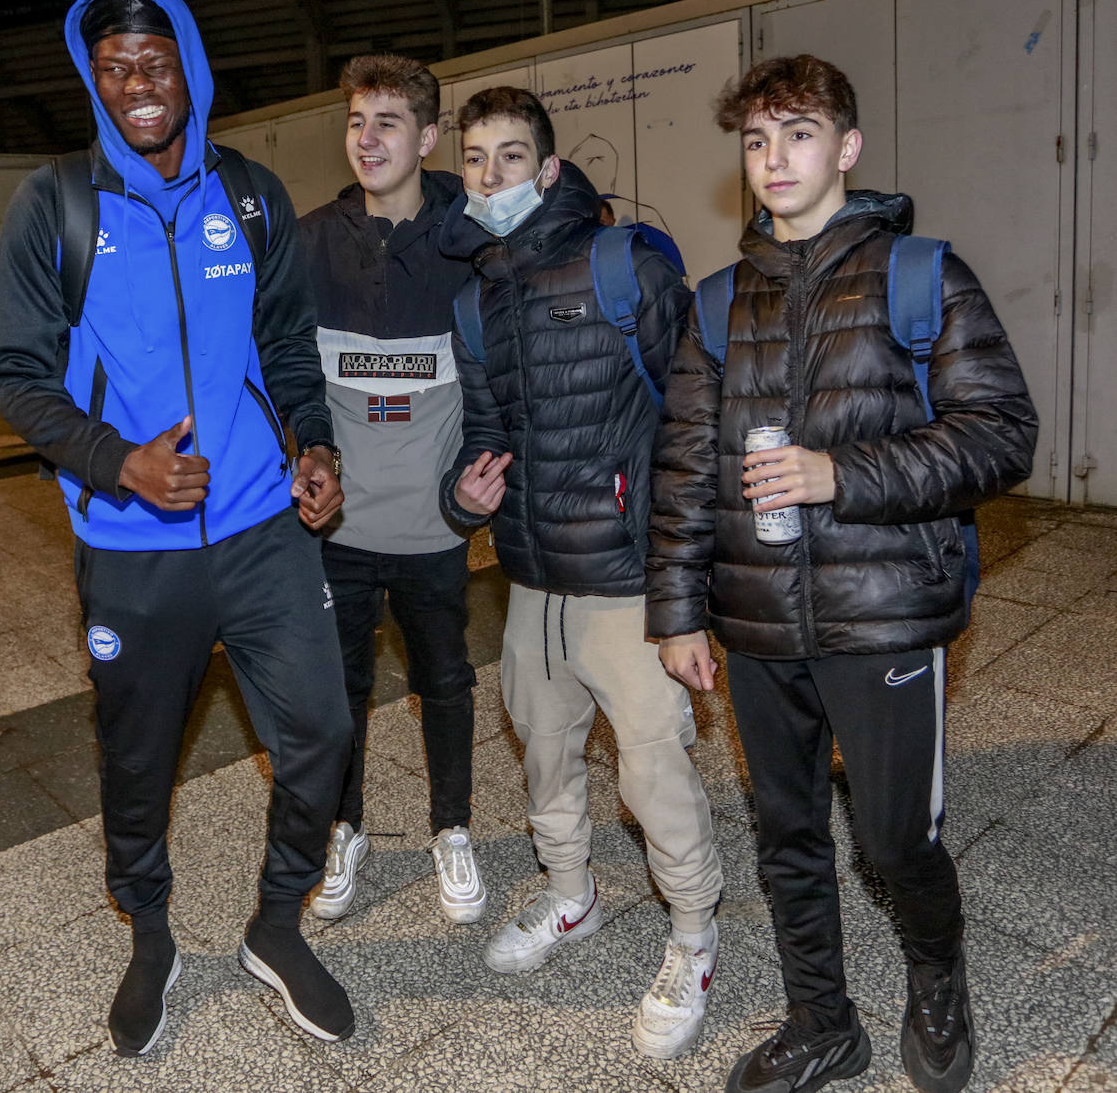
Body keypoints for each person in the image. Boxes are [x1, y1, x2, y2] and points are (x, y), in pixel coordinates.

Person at [648, 54, 1037, 1093]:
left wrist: (840, 474)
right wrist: (680, 612)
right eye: (757, 140)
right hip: (756, 621)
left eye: (800, 134)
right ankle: (824, 1021)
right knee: (786, 837)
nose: (775, 159)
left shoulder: (921, 275)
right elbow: (684, 465)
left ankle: (938, 987)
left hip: (885, 616)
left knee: (897, 838)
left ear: (848, 149)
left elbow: (1003, 435)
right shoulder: (716, 300)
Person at [0, 0, 357, 1054]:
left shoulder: (248, 197)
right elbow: (15, 374)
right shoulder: (59, 206)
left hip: (259, 528)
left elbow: (286, 346)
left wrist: (314, 446)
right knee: (137, 762)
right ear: (92, 81)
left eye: (154, 60)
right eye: (114, 66)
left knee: (323, 730)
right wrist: (118, 464)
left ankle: (277, 927)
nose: (138, 84)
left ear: (189, 65)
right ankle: (151, 935)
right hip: (130, 548)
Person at [438, 86, 725, 1060]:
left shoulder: (625, 266)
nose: (490, 177)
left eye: (510, 158)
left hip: (630, 584)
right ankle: (572, 897)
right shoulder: (477, 302)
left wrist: (687, 585)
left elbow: (696, 420)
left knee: (653, 775)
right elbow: (482, 439)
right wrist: (460, 501)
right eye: (475, 159)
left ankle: (693, 936)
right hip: (532, 583)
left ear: (549, 169)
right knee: (546, 752)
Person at [299, 55, 484, 924]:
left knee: (444, 680)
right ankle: (345, 828)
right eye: (356, 123)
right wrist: (310, 451)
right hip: (338, 529)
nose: (367, 141)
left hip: (435, 527)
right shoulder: (309, 242)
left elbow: (490, 380)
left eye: (388, 124)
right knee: (340, 687)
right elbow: (289, 371)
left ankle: (452, 829)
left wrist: (467, 493)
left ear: (429, 136)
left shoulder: (469, 240)